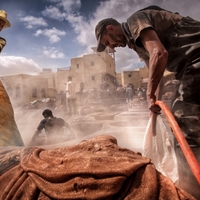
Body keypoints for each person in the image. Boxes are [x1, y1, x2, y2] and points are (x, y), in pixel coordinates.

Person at [95, 5, 200, 146]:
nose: (112, 47)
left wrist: (149, 95)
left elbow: (159, 53)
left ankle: (190, 166)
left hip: (196, 58)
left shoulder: (135, 21)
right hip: (191, 66)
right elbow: (157, 77)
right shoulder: (137, 46)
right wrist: (153, 115)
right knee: (180, 116)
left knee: (184, 117)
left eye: (108, 42)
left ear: (110, 28)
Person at [0, 10, 24, 146]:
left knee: (5, 116)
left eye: (2, 25)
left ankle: (10, 148)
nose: (1, 27)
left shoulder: (1, 41)